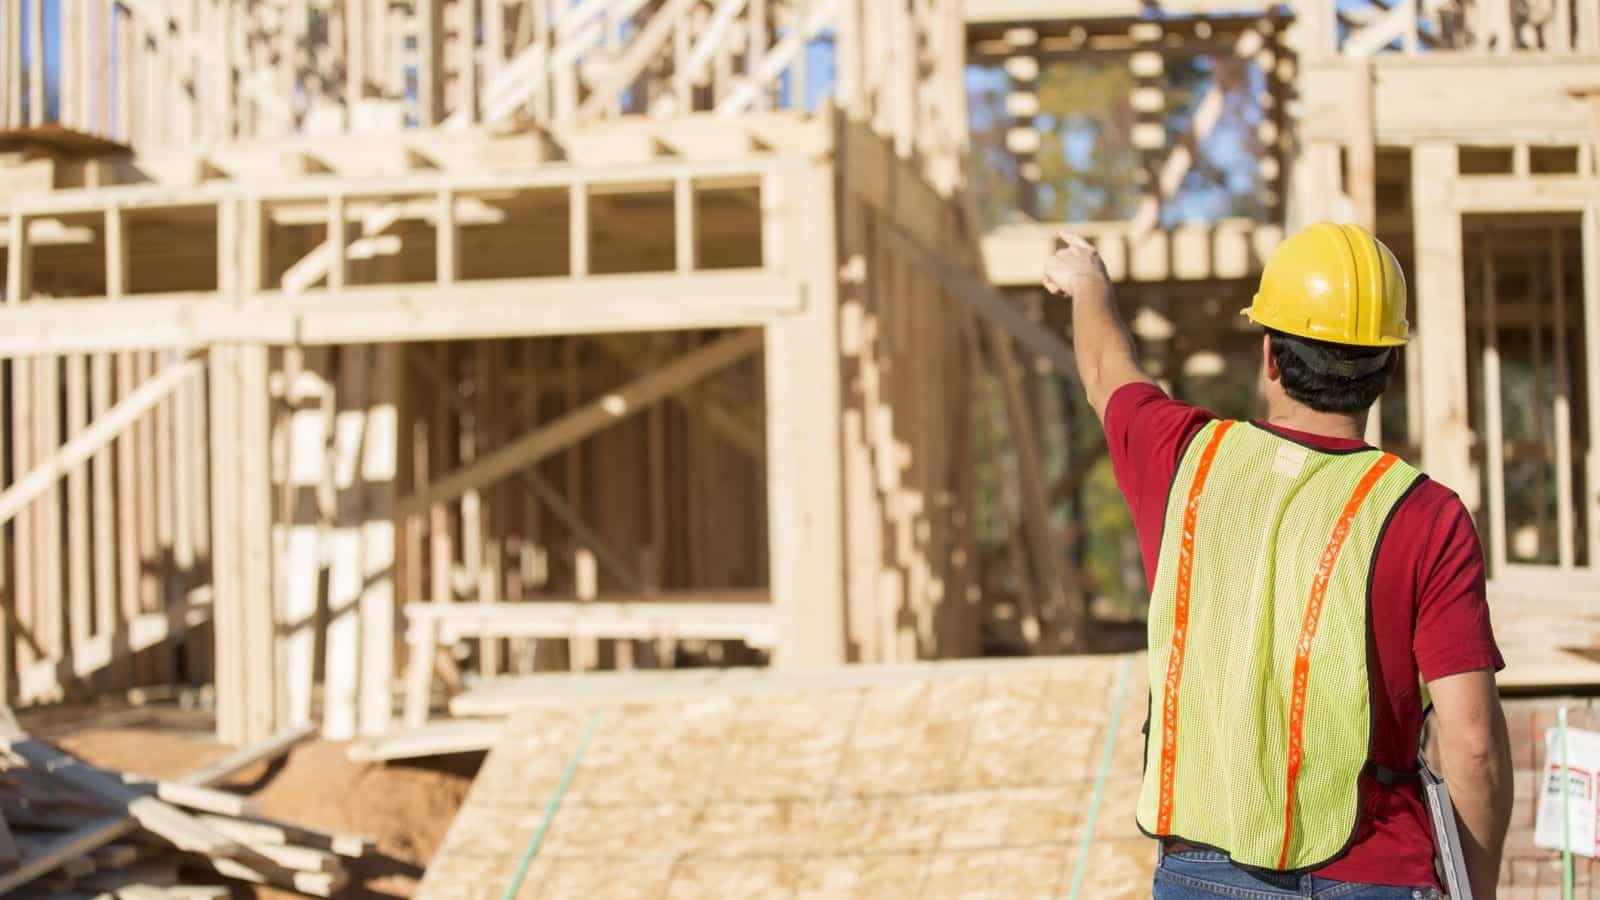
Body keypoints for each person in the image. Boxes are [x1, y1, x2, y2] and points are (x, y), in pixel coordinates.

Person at [1043, 223, 1513, 899]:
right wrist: (1480, 888)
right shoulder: (1426, 515)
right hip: (1375, 874)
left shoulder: (1183, 461)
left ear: (1270, 355)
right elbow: (1474, 746)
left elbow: (1104, 370)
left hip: (1204, 874)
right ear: (1387, 367)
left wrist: (1088, 280)